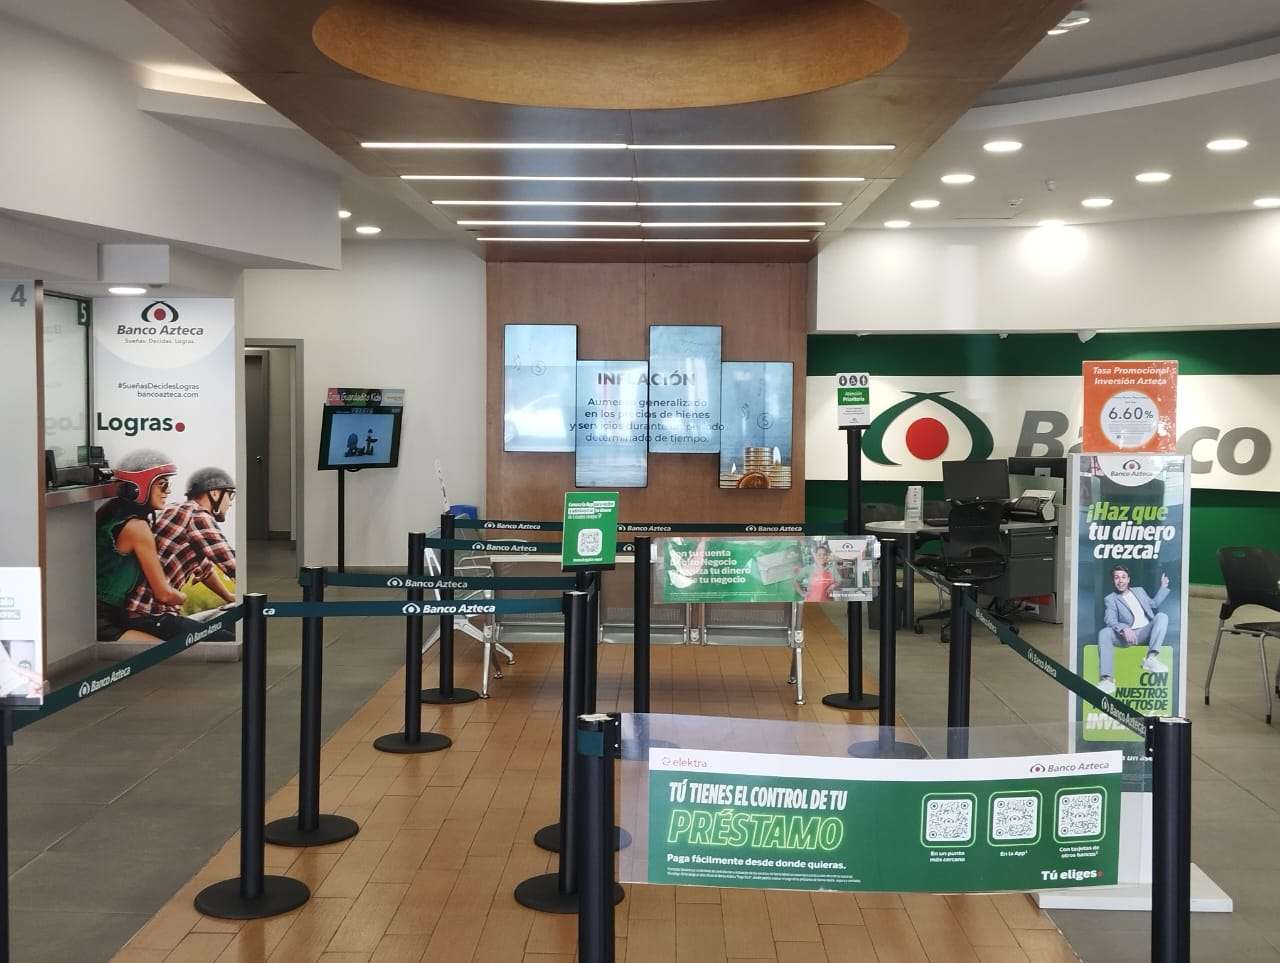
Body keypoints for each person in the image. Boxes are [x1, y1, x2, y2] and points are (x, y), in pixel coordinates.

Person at [127, 467, 237, 632]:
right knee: (228, 637)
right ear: (215, 493)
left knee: (217, 619)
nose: (230, 503)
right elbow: (233, 565)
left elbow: (204, 570)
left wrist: (228, 597)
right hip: (151, 614)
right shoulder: (198, 517)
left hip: (134, 610)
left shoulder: (173, 510)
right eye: (230, 495)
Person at [96, 449, 188, 641]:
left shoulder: (111, 512)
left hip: (99, 614)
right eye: (162, 484)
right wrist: (183, 597)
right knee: (170, 653)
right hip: (103, 621)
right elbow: (164, 594)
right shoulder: (137, 528)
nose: (168, 491)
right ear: (140, 487)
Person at [1096, 565, 1170, 695]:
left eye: (1123, 577)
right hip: (1127, 636)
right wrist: (1124, 628)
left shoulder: (1139, 591)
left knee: (1162, 616)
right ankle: (1107, 680)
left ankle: (1150, 659)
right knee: (1104, 632)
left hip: (1145, 632)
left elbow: (1153, 604)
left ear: (1128, 579)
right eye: (1116, 577)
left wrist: (1163, 587)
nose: (1120, 581)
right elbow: (1109, 619)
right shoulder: (1111, 599)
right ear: (1113, 580)